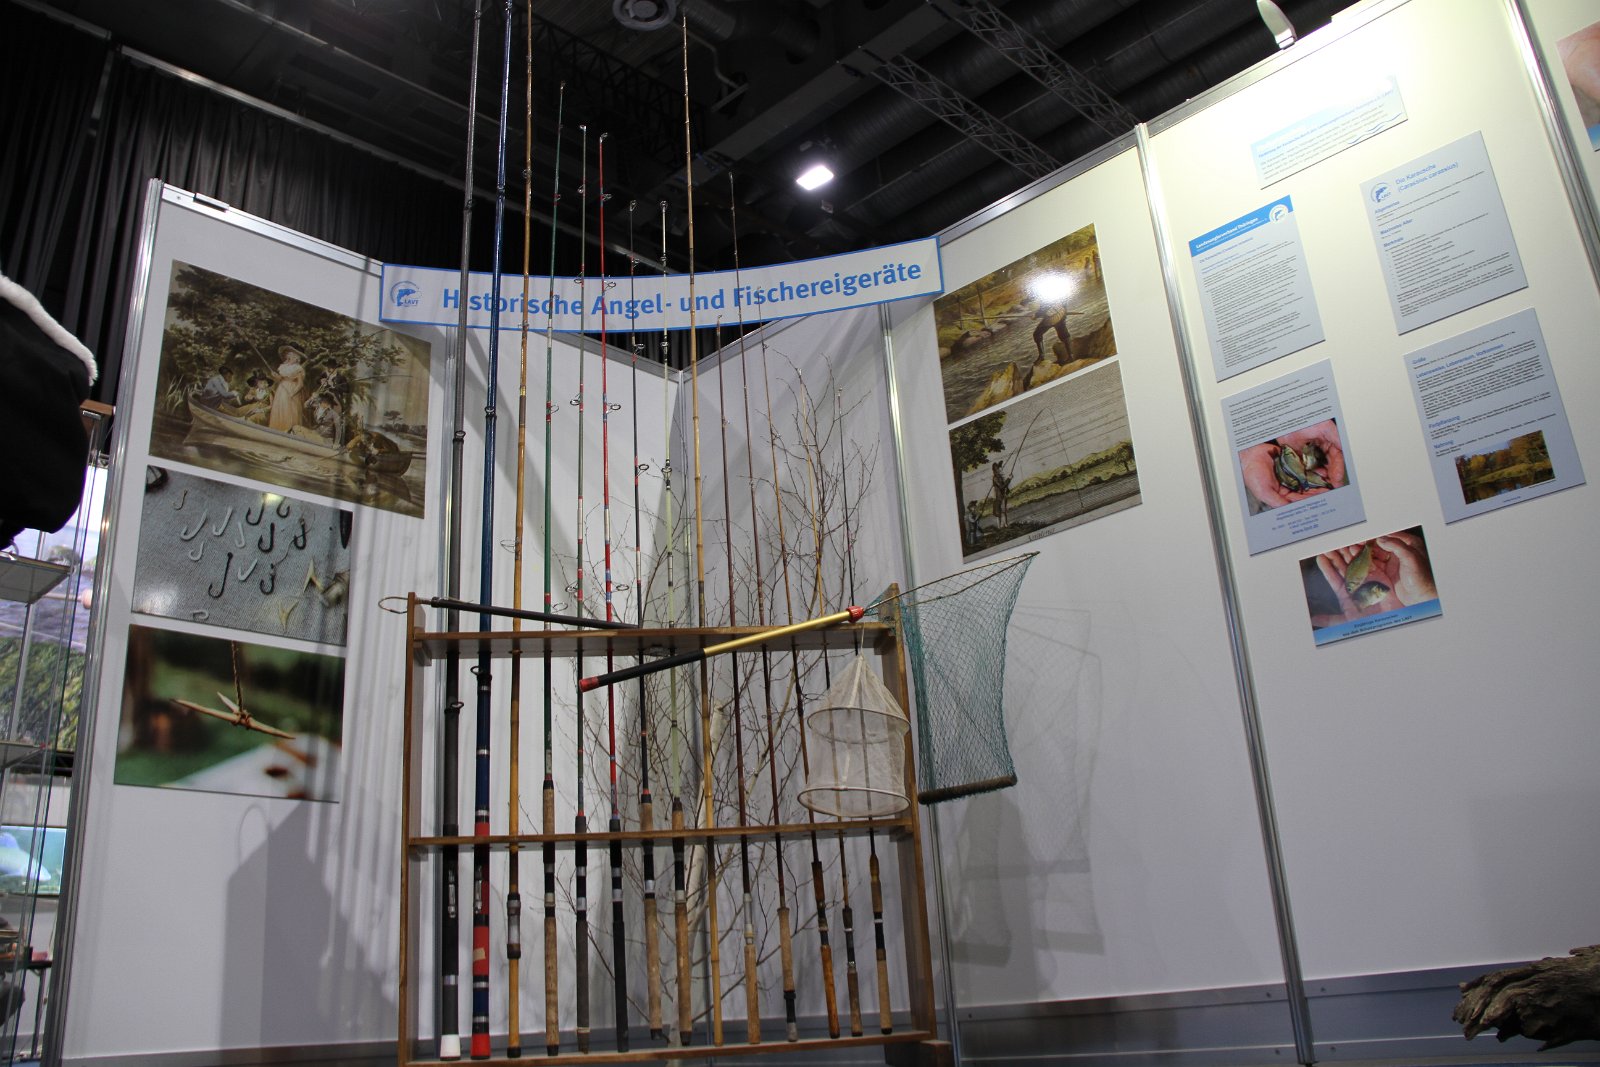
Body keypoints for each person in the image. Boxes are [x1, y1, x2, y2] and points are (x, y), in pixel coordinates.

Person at [269, 345, 308, 432]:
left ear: (297, 357)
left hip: (292, 390)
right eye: (288, 354)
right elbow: (281, 379)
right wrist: (275, 376)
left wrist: (292, 393)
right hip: (281, 390)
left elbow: (300, 384)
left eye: (292, 355)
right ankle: (277, 429)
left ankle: (288, 430)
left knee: (289, 410)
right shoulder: (284, 366)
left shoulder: (298, 368)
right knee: (280, 408)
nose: (289, 356)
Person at [990, 460, 1011, 528]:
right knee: (998, 513)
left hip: (1003, 496)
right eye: (998, 468)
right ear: (996, 470)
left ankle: (1006, 525)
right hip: (998, 498)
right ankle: (999, 527)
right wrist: (1008, 479)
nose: (1000, 469)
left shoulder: (1000, 477)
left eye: (1000, 468)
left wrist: (1008, 481)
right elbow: (1001, 487)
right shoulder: (995, 478)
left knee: (1004, 511)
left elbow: (1004, 486)